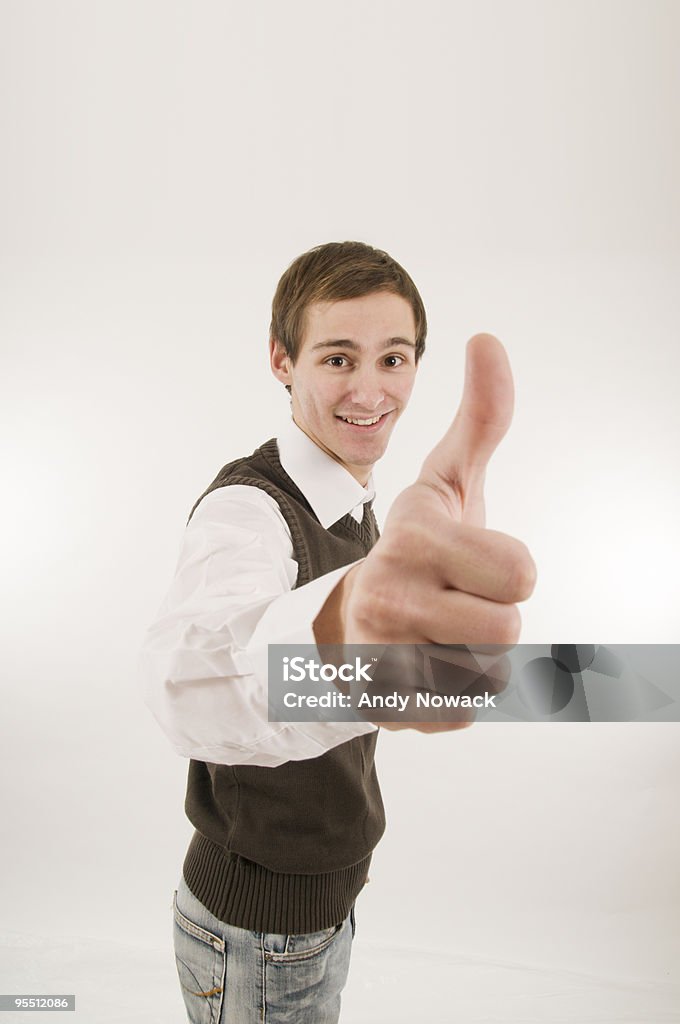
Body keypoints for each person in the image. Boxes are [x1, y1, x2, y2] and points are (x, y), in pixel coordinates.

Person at [138, 240, 536, 1023]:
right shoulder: (247, 511)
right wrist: (335, 634)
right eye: (337, 358)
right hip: (254, 934)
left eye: (393, 359)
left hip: (317, 915)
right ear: (282, 361)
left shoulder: (366, 506)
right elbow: (185, 684)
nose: (369, 389)